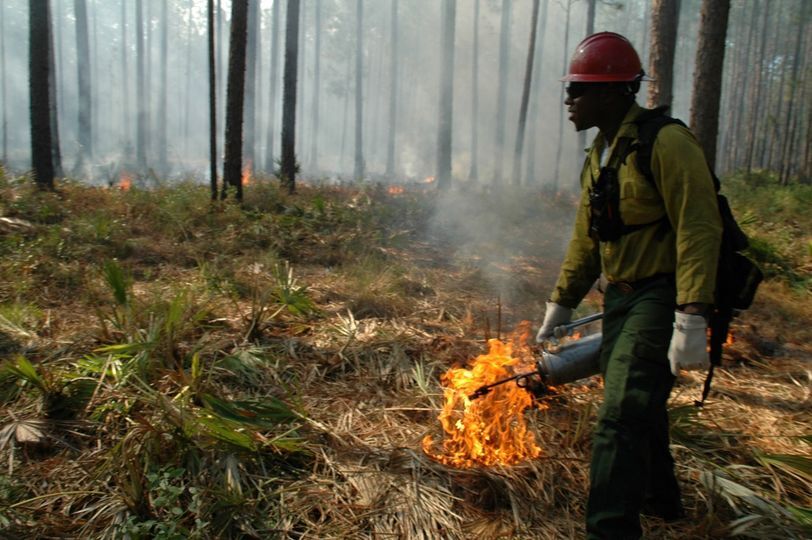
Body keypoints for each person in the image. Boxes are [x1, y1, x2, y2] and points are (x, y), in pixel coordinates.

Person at [535, 32, 723, 539]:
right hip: (618, 297)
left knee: (619, 415)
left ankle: (609, 530)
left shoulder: (668, 143)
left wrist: (692, 314)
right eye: (570, 88)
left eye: (578, 88)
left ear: (615, 91)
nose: (569, 99)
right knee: (641, 402)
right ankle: (661, 500)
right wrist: (561, 304)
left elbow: (699, 227)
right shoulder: (601, 154)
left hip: (660, 298)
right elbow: (585, 239)